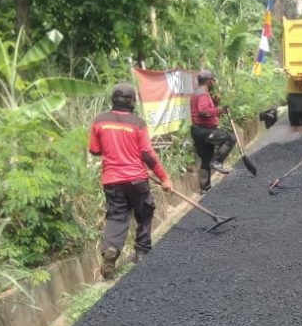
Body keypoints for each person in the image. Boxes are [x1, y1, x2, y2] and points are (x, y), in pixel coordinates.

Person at [89, 82, 174, 279]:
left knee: (116, 216)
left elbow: (94, 150)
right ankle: (142, 250)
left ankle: (111, 249)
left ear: (113, 100)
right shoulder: (138, 123)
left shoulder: (99, 121)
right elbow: (147, 154)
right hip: (136, 179)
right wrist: (164, 178)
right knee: (144, 212)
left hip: (112, 181)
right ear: (132, 102)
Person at [190, 69, 236, 192]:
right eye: (213, 80)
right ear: (209, 81)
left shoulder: (197, 92)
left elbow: (202, 109)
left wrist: (214, 103)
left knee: (205, 159)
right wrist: (220, 110)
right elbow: (203, 111)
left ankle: (205, 188)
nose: (214, 82)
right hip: (204, 131)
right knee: (229, 138)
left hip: (197, 130)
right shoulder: (203, 94)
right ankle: (217, 161)